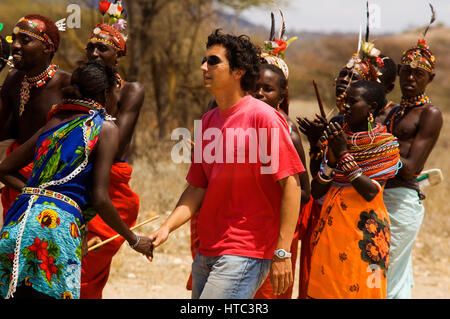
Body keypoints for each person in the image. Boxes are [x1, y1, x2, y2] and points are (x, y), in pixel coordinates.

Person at [150, 29, 304, 299]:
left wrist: (282, 252)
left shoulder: (264, 119)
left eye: (213, 61)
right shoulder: (209, 121)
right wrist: (167, 227)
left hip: (246, 251)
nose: (203, 67)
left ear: (238, 72)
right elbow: (197, 187)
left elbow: (291, 185)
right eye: (204, 60)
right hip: (208, 249)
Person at [0, 61, 153, 299]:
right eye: (115, 92)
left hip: (18, 220)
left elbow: (5, 169)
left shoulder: (54, 121)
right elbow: (100, 198)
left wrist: (36, 194)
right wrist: (134, 239)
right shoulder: (105, 128)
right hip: (56, 229)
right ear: (105, 93)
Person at [295, 37, 396, 299]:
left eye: (354, 102)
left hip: (365, 231)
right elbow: (317, 190)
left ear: (372, 107)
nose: (346, 106)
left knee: (361, 289)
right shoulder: (338, 134)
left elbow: (371, 192)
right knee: (325, 289)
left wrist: (342, 155)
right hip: (331, 226)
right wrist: (326, 156)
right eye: (346, 101)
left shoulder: (385, 143)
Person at [80, 3, 145, 299]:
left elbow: (115, 143)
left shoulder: (131, 91)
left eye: (102, 49)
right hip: (75, 184)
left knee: (87, 272)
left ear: (119, 55)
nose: (94, 53)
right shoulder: (76, 85)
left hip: (109, 188)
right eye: (90, 47)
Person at [249, 16, 310, 298]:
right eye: (254, 86)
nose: (259, 94)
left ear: (282, 92)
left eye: (268, 88)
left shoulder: (288, 132)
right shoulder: (236, 124)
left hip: (274, 231)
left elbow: (304, 190)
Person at [383, 36, 442, 299]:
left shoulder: (430, 114)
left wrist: (371, 153)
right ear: (398, 72)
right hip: (378, 197)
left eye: (418, 74)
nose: (410, 79)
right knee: (390, 271)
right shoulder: (392, 111)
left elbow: (410, 168)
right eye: (406, 71)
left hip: (401, 201)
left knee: (384, 268)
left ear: (430, 78)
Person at [0, 15, 71, 220]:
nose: (16, 46)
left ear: (47, 48)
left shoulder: (68, 85)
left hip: (54, 180)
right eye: (15, 40)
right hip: (14, 174)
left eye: (26, 40)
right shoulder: (13, 79)